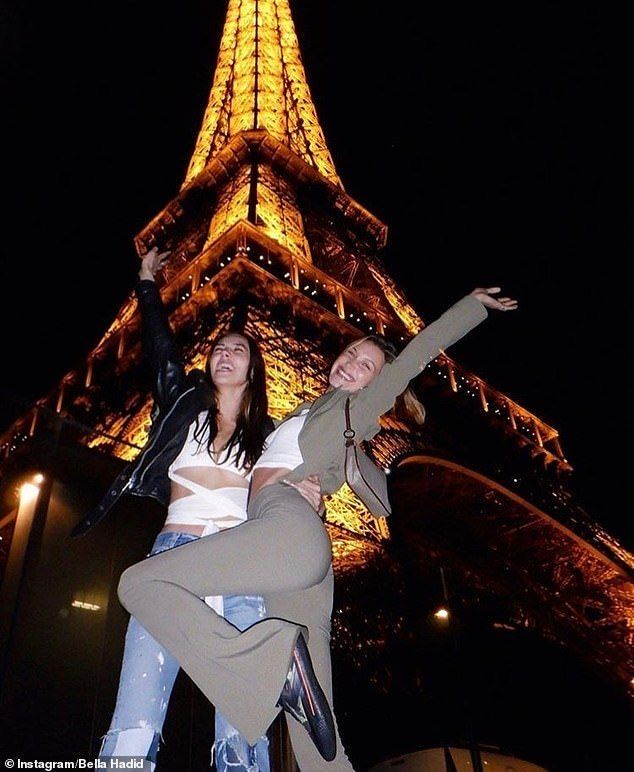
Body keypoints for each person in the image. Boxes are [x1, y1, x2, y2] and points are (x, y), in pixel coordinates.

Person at [116, 281, 518, 770]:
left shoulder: (358, 406)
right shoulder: (306, 411)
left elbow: (417, 354)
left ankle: (269, 664)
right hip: (296, 558)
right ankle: (283, 676)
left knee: (140, 582)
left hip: (285, 526)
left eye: (366, 366)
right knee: (317, 740)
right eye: (350, 353)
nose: (350, 364)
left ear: (377, 382)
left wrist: (470, 306)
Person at [72, 247, 323, 771]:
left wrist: (309, 494)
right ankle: (274, 664)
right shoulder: (184, 409)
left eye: (236, 349)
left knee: (242, 733)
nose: (222, 354)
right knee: (134, 720)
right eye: (217, 348)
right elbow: (161, 350)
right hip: (175, 556)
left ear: (253, 369)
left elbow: (293, 481)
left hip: (239, 567)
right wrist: (146, 283)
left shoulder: (270, 437)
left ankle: (270, 670)